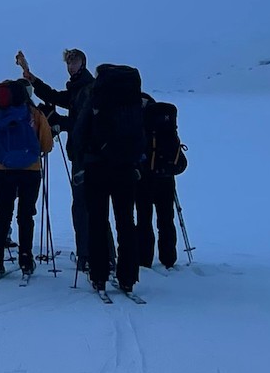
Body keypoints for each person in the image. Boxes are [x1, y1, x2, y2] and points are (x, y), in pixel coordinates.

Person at [17, 49, 99, 269]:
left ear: (83, 63)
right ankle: (98, 254)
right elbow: (56, 97)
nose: (71, 66)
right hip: (84, 153)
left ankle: (88, 256)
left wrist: (58, 122)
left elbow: (81, 123)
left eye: (75, 62)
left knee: (84, 205)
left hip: (85, 154)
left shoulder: (85, 89)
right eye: (69, 62)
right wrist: (32, 78)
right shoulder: (78, 87)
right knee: (88, 205)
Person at [70, 63, 148, 296]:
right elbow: (141, 136)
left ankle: (99, 275)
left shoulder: (96, 99)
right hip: (125, 167)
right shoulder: (132, 100)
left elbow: (79, 133)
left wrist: (82, 155)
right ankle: (128, 277)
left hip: (97, 167)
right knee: (126, 221)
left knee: (97, 220)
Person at [0, 79, 54, 277]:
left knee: (3, 213)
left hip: (4, 169)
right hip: (31, 170)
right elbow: (46, 145)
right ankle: (26, 257)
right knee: (26, 215)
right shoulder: (35, 114)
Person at [137, 93, 186, 269]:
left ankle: (144, 258)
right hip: (166, 176)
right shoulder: (163, 117)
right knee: (166, 219)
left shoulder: (141, 115)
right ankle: (168, 258)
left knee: (144, 218)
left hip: (146, 177)